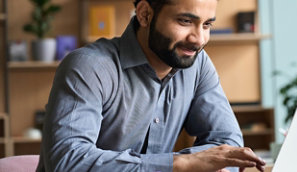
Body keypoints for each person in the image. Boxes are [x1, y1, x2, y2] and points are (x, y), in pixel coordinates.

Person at [37, 0, 266, 171]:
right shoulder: (89, 66)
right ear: (145, 14)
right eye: (185, 21)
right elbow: (68, 161)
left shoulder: (197, 65)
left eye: (206, 25)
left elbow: (228, 143)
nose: (198, 39)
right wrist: (178, 165)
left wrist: (191, 164)